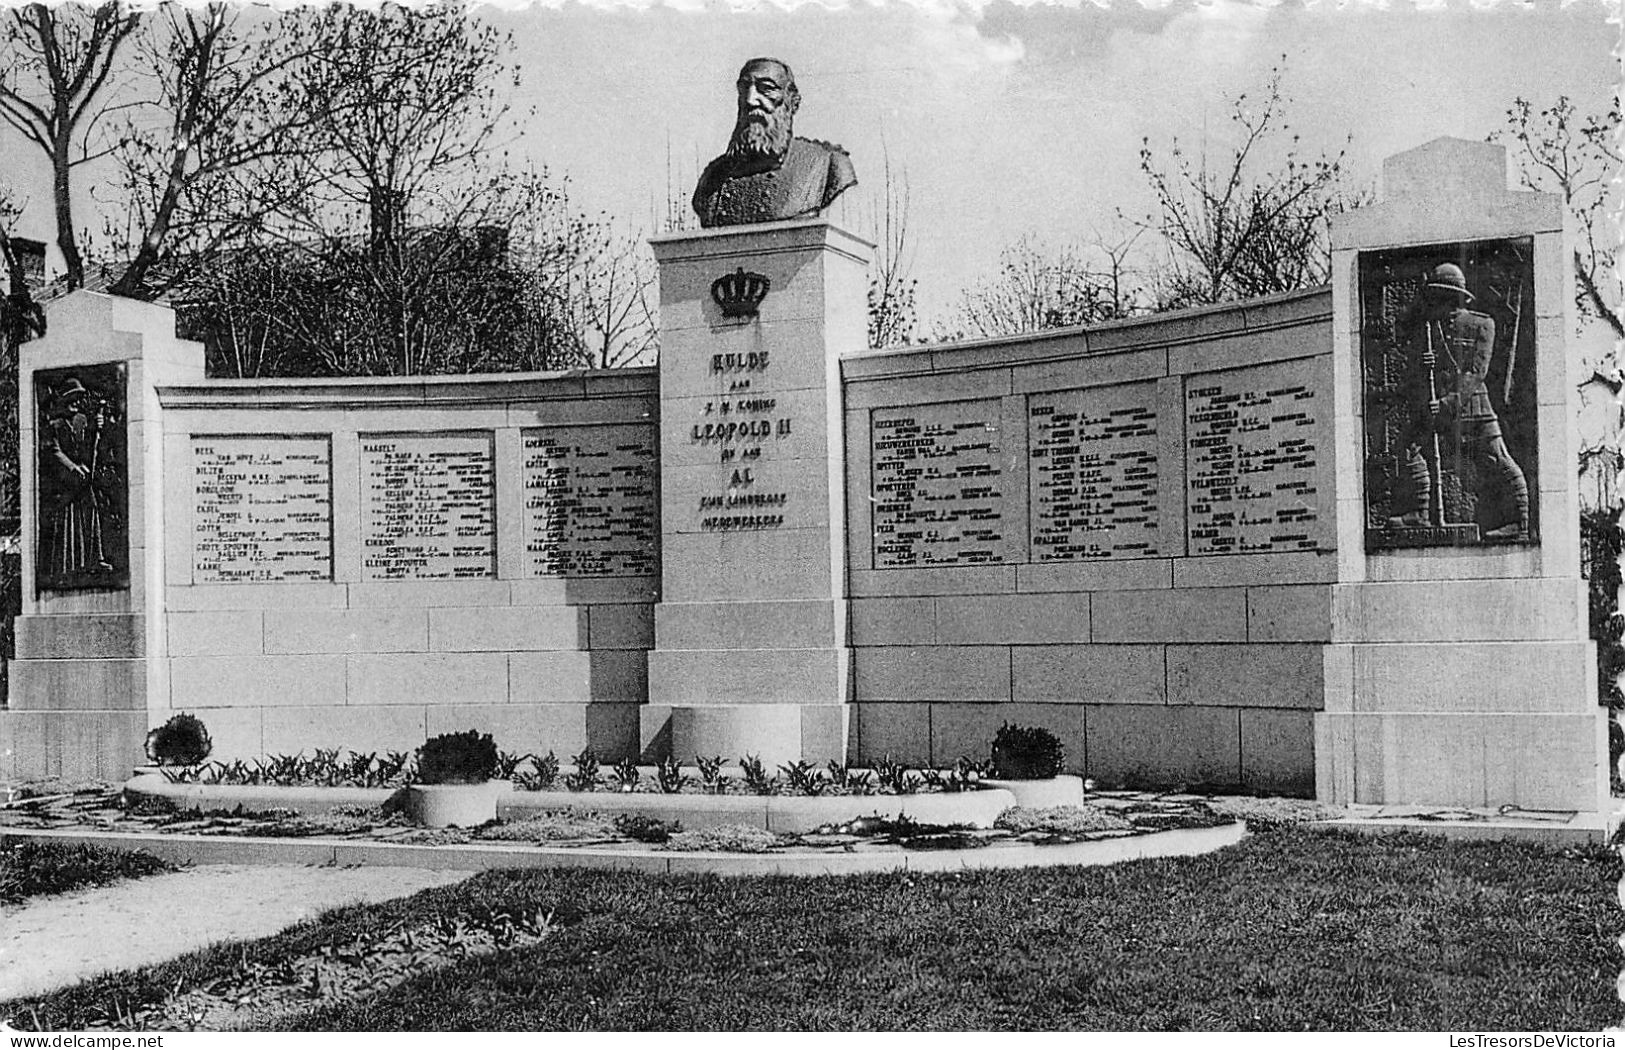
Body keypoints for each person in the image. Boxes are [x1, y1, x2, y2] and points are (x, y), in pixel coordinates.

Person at [1387, 262, 1529, 540]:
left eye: (1438, 295)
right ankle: (1420, 512)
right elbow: (1430, 367)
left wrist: (1448, 402)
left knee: (1497, 458)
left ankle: (1520, 521)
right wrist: (1424, 362)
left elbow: (1476, 372)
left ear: (1451, 296)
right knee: (1408, 447)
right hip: (1437, 408)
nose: (1434, 301)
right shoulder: (1432, 328)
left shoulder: (1482, 324)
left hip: (1473, 407)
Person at [692, 57, 857, 228]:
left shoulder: (828, 165)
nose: (750, 100)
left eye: (767, 89)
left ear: (792, 102)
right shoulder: (713, 177)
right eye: (744, 88)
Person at [38, 376, 116, 578]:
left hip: (82, 483)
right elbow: (54, 452)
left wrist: (97, 428)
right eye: (72, 398)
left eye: (78, 398)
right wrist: (73, 468)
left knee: (91, 515)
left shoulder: (81, 423)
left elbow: (88, 451)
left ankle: (94, 558)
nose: (76, 402)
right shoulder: (54, 425)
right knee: (68, 524)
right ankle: (66, 566)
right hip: (64, 485)